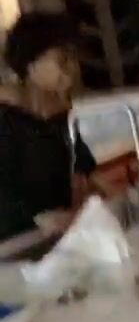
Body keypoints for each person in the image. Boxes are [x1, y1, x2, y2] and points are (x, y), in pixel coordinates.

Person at [0, 12, 97, 242]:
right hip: (16, 246)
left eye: (73, 59)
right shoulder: (5, 120)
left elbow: (85, 171)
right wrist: (38, 219)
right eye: (63, 60)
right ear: (30, 65)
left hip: (59, 238)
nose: (73, 68)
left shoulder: (60, 117)